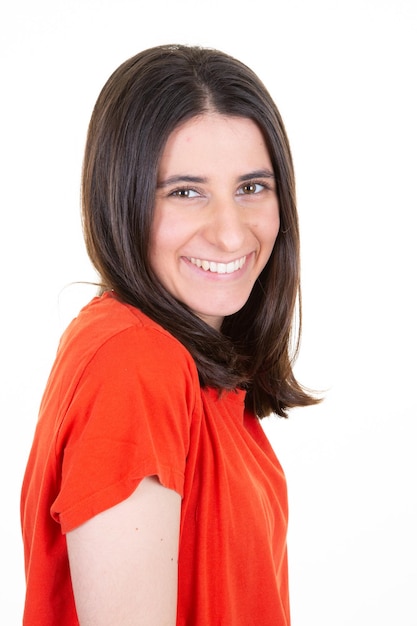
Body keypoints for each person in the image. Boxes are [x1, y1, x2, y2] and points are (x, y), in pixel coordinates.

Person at [20, 43, 320, 625]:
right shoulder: (134, 361)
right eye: (185, 192)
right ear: (122, 199)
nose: (231, 235)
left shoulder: (195, 367)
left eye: (252, 187)